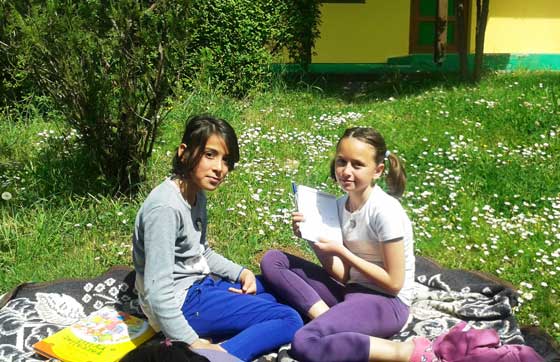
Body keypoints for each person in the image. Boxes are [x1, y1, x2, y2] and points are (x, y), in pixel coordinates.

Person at [132, 114, 303, 362]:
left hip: (200, 286)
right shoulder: (166, 209)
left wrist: (242, 272)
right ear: (184, 152)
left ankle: (228, 329)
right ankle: (217, 356)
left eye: (226, 160)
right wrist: (191, 342)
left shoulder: (195, 193)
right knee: (289, 318)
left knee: (271, 289)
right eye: (210, 155)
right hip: (183, 303)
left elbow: (201, 252)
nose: (219, 168)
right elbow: (158, 293)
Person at [260, 126, 418, 362]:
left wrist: (343, 252)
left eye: (357, 164)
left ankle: (402, 352)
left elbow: (394, 284)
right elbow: (343, 275)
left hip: (387, 302)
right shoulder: (339, 205)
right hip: (352, 291)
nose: (346, 171)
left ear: (378, 170)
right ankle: (327, 317)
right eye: (341, 162)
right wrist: (311, 236)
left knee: (305, 342)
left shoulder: (385, 211)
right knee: (274, 259)